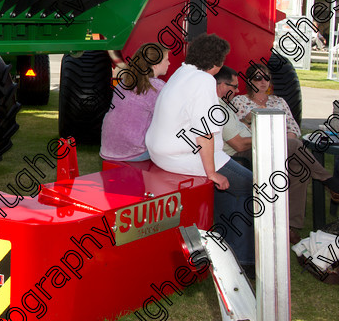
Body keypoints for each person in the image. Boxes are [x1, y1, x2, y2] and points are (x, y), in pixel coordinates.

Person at [145, 34, 255, 271]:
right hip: (180, 155)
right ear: (216, 63)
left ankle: (228, 248)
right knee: (249, 186)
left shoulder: (182, 73)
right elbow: (205, 132)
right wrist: (212, 173)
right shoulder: (204, 80)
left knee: (235, 183)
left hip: (162, 150)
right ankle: (243, 260)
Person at [220, 65, 339, 243]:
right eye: (258, 78)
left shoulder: (279, 101)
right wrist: (249, 121)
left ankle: (290, 226)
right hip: (252, 149)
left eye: (266, 78)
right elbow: (236, 132)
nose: (263, 82)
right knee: (294, 150)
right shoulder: (239, 102)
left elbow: (292, 128)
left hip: (282, 148)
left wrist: (284, 144)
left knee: (299, 165)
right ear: (250, 81)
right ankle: (328, 181)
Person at [100, 43, 170, 161]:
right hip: (133, 153)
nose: (169, 63)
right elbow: (169, 120)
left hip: (108, 148)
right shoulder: (156, 87)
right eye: (166, 60)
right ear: (155, 65)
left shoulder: (124, 82)